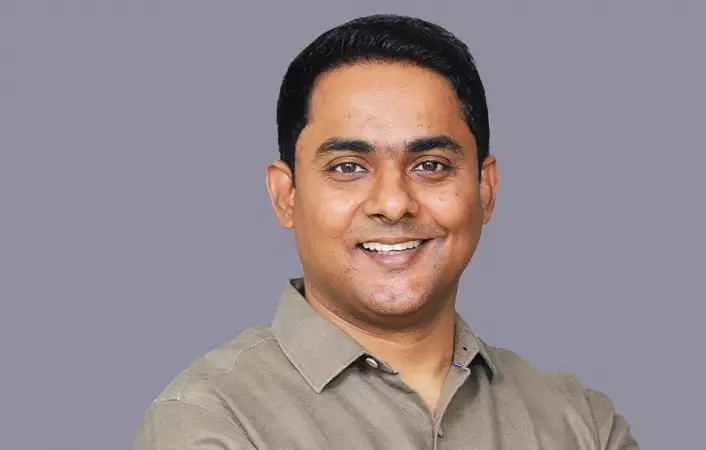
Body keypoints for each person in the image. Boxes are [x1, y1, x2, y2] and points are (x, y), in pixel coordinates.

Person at [135, 14, 638, 450]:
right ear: (286, 195)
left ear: (485, 190)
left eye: (431, 165)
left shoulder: (581, 423)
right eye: (348, 167)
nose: (394, 203)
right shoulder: (212, 419)